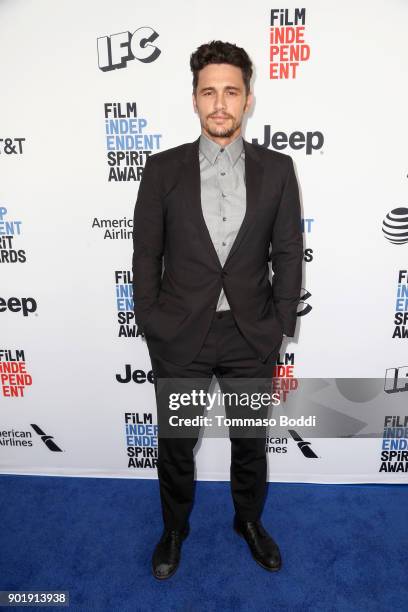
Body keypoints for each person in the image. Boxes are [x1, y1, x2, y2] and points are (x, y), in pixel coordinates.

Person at [132, 40, 303, 579]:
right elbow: (145, 254)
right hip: (180, 334)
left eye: (231, 91)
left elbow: (288, 252)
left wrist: (278, 326)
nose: (220, 103)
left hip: (250, 334)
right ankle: (174, 527)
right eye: (210, 92)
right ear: (195, 100)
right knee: (177, 444)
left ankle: (248, 521)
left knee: (250, 443)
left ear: (249, 98)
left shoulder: (278, 169)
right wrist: (152, 322)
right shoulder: (161, 170)